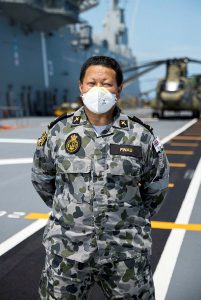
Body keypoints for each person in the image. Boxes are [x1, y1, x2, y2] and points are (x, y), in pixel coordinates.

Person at [31, 55, 169, 300]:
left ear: (119, 89)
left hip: (126, 253)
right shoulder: (58, 133)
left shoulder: (141, 136)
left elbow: (156, 187)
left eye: (106, 84)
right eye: (92, 83)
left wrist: (130, 220)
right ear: (81, 87)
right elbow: (42, 179)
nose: (98, 90)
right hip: (68, 251)